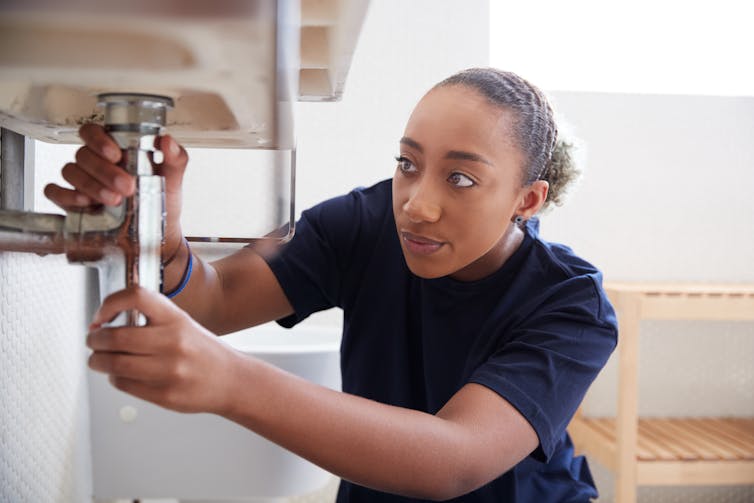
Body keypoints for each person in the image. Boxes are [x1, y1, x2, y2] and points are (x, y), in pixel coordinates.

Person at [46, 68, 617, 501]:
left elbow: (455, 459)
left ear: (527, 199)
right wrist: (158, 236)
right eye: (408, 163)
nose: (416, 205)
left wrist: (230, 380)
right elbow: (215, 300)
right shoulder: (364, 223)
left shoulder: (570, 304)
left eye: (461, 178)